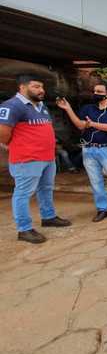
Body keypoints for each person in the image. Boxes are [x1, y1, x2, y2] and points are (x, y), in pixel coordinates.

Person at [0, 74, 71, 244]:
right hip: (27, 159)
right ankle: (24, 230)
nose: (41, 90)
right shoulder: (12, 105)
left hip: (47, 157)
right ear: (22, 87)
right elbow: (3, 133)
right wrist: (13, 146)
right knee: (23, 193)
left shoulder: (41, 106)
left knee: (46, 188)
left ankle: (48, 217)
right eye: (36, 87)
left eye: (41, 87)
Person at [57, 81, 107, 222]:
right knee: (95, 181)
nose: (95, 94)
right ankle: (103, 209)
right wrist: (68, 109)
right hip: (89, 150)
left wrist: (92, 124)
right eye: (94, 91)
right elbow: (79, 125)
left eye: (99, 92)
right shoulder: (88, 109)